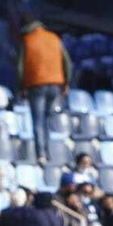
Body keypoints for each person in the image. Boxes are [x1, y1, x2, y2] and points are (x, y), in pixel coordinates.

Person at [17, 20, 70, 164]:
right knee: (46, 120)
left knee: (38, 121)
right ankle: (47, 153)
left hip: (36, 84)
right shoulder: (54, 38)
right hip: (55, 83)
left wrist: (21, 87)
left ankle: (41, 154)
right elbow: (66, 61)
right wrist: (66, 82)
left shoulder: (27, 40)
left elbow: (20, 67)